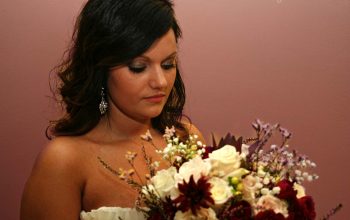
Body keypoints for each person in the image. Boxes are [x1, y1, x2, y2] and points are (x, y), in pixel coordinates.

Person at [20, 0, 204, 219]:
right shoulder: (64, 160)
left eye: (168, 64)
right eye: (138, 67)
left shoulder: (187, 137)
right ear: (101, 68)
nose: (160, 82)